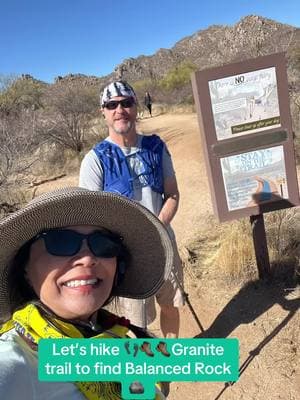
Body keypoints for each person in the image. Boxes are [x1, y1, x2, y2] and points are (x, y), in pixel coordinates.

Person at [0, 187, 173, 399]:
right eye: (61, 242)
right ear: (25, 267)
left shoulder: (117, 339)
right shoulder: (14, 363)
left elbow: (205, 360)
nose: (88, 258)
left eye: (103, 244)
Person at [79, 80, 184, 338]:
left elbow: (172, 194)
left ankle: (168, 363)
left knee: (171, 306)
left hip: (163, 247)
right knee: (135, 324)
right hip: (125, 258)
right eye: (112, 105)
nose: (120, 110)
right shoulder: (95, 160)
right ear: (102, 111)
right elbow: (89, 219)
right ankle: (144, 375)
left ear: (136, 107)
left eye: (126, 103)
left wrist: (158, 227)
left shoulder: (156, 147)